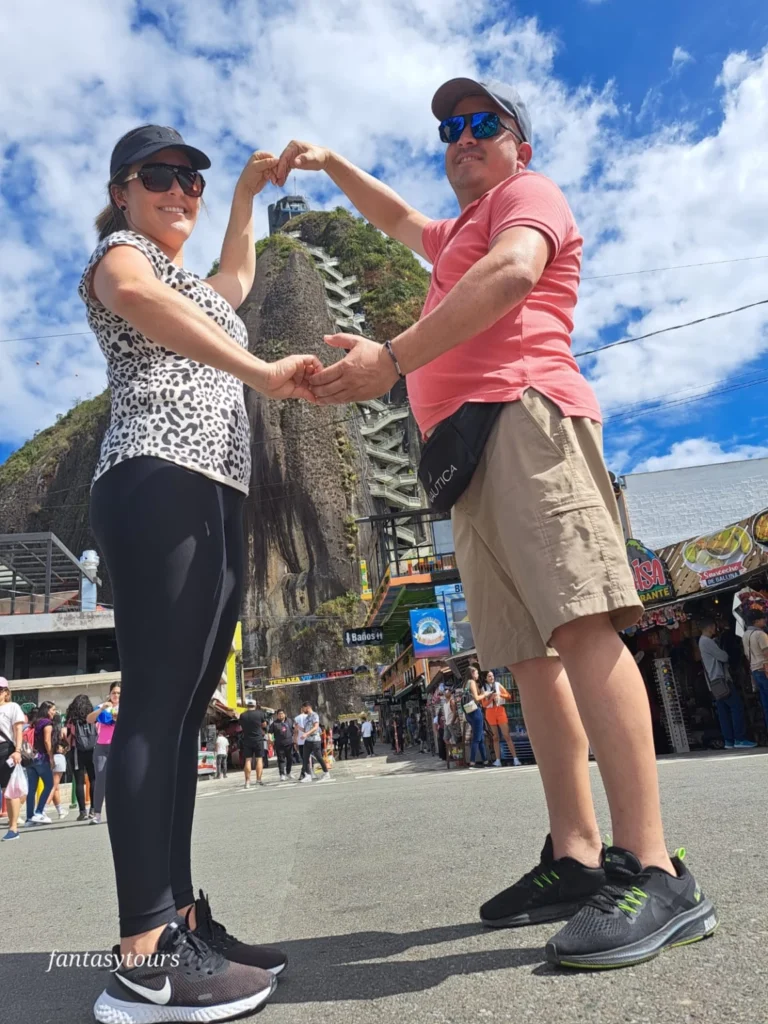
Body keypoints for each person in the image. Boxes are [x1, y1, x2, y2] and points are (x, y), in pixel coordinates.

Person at [279, 77, 717, 967]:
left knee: (583, 628)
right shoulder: (448, 239)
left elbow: (517, 273)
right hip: (468, 459)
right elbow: (399, 215)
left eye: (483, 124)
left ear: (522, 144)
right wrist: (329, 164)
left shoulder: (528, 197)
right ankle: (576, 855)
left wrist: (394, 361)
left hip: (526, 417)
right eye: (449, 130)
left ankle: (659, 868)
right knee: (529, 657)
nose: (462, 139)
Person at [81, 126, 312, 1022]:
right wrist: (260, 370)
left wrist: (249, 192)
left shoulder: (200, 284)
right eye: (161, 177)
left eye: (193, 180)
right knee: (152, 702)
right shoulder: (120, 256)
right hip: (154, 475)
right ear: (125, 190)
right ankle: (143, 954)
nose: (181, 190)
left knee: (186, 714)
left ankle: (178, 919)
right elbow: (143, 302)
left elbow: (237, 282)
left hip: (215, 490)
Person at [698, 620, 755, 749]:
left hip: (714, 682)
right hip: (721, 679)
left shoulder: (702, 641)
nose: (715, 628)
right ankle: (739, 738)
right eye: (713, 626)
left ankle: (729, 740)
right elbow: (723, 657)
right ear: (709, 626)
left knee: (723, 711)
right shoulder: (707, 641)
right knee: (736, 707)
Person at [86, 682, 121, 824]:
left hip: (119, 746)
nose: (116, 695)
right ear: (109, 694)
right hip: (101, 747)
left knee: (120, 780)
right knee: (100, 779)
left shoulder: (126, 707)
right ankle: (97, 813)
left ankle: (120, 811)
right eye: (114, 693)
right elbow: (89, 719)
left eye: (119, 693)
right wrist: (102, 710)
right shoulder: (102, 707)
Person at [24, 700, 58, 826]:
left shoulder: (34, 723)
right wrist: (51, 757)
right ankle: (39, 812)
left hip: (29, 757)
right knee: (49, 784)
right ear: (47, 710)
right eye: (53, 710)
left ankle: (29, 818)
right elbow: (47, 741)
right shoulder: (47, 723)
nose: (54, 712)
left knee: (31, 789)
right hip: (41, 758)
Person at [0, 678, 26, 841]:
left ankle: (13, 827)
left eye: (1, 689)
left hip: (5, 749)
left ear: (6, 692)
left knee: (9, 791)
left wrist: (17, 750)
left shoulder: (12, 707)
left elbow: (18, 730)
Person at [65, 694, 98, 820]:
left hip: (76, 751)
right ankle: (93, 809)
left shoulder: (71, 719)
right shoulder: (92, 716)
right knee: (93, 778)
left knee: (79, 781)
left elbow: (68, 736)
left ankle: (82, 811)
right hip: (92, 749)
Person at [480, 669, 522, 766]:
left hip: (500, 709)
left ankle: (515, 758)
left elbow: (508, 696)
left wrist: (499, 694)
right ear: (486, 679)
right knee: (495, 737)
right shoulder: (483, 689)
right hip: (490, 712)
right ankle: (498, 760)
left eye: (492, 676)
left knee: (506, 735)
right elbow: (484, 704)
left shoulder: (498, 685)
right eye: (489, 676)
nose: (492, 678)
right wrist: (491, 698)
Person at [741, 605, 768, 727]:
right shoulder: (760, 635)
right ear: (756, 621)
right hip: (765, 670)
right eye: (762, 619)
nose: (765, 621)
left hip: (755, 671)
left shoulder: (745, 635)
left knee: (766, 704)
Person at [462, 667, 489, 768]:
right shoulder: (472, 682)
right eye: (477, 673)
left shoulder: (465, 683)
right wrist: (485, 694)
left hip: (468, 712)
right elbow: (476, 698)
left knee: (480, 736)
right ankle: (472, 761)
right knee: (477, 738)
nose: (478, 675)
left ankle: (485, 760)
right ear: (472, 673)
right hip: (475, 711)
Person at [298, 702, 330, 782]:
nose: (302, 710)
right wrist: (298, 727)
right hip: (308, 740)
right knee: (305, 757)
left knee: (318, 757)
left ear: (307, 707)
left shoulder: (314, 715)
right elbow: (306, 729)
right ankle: (308, 775)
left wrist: (306, 734)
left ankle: (326, 773)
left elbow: (315, 727)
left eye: (303, 708)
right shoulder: (306, 718)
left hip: (315, 740)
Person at [239, 703, 267, 789]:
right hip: (258, 739)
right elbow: (264, 724)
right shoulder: (260, 713)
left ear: (247, 706)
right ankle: (258, 780)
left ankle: (247, 781)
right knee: (259, 759)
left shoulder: (242, 715)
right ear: (254, 706)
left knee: (248, 760)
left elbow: (241, 726)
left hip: (247, 739)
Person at [269, 709, 295, 781]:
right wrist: (271, 740)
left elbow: (294, 730)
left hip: (289, 744)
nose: (281, 715)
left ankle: (288, 772)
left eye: (282, 713)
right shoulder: (274, 723)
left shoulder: (289, 721)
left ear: (285, 714)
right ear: (277, 715)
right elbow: (270, 732)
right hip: (279, 745)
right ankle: (282, 774)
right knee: (281, 760)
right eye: (279, 714)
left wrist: (295, 739)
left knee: (290, 759)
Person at [51, 731, 71, 819]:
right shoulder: (61, 732)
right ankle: (41, 809)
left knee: (55, 787)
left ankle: (60, 810)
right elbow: (68, 745)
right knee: (54, 787)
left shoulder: (47, 730)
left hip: (49, 758)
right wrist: (64, 750)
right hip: (59, 757)